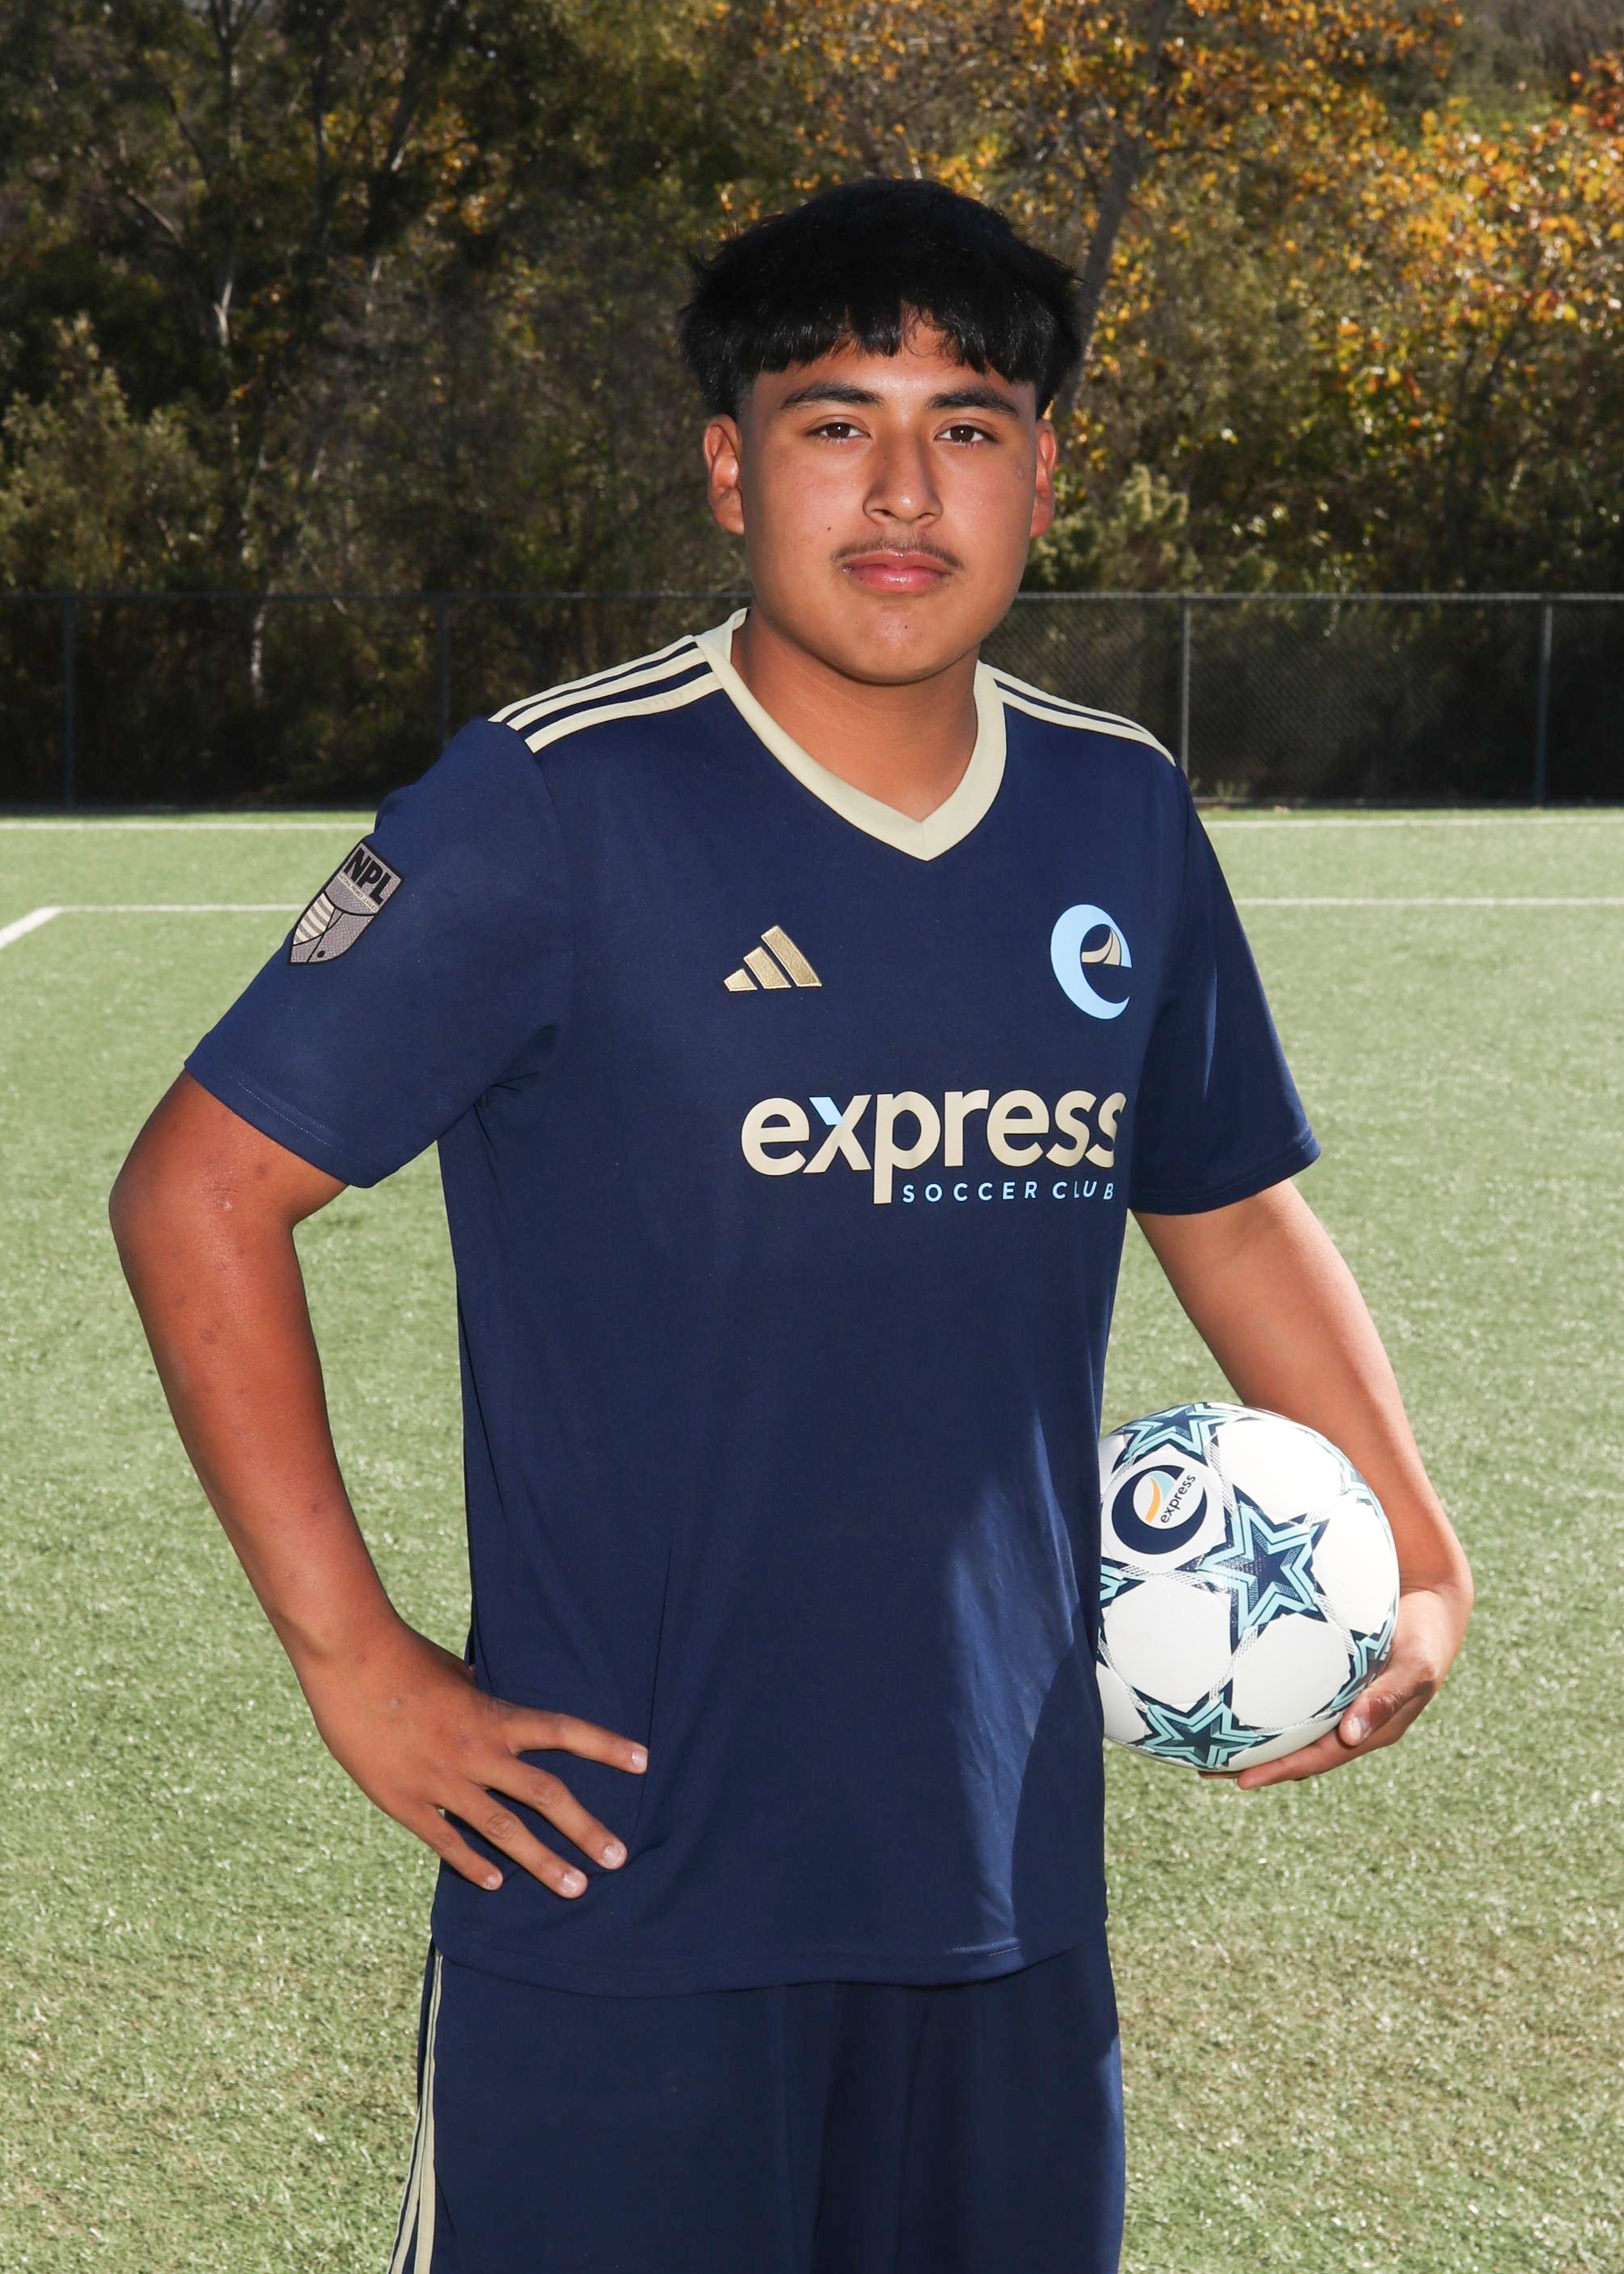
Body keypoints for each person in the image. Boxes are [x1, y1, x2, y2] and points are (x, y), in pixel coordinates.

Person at [108, 175, 1474, 2274]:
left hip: (1005, 1896)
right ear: (731, 468)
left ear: (1043, 475)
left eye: (968, 426)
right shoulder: (554, 802)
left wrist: (1424, 1554)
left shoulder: (1118, 809)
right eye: (837, 423)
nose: (904, 488)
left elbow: (1222, 1201)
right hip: (621, 1902)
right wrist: (353, 1660)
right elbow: (198, 1191)